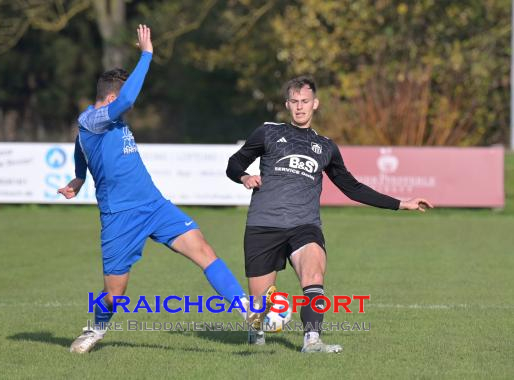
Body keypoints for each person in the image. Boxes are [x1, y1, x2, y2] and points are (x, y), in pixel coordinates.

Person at [58, 25, 271, 354]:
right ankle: (96, 328)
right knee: (115, 294)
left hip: (154, 206)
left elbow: (80, 149)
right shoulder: (94, 119)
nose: (130, 106)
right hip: (120, 218)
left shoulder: (100, 125)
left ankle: (248, 312)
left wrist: (78, 178)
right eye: (123, 101)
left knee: (203, 249)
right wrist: (147, 54)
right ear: (111, 99)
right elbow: (119, 105)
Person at [226, 76, 433, 353]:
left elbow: (352, 188)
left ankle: (312, 340)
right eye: (295, 102)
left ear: (315, 104)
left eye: (305, 102)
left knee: (313, 274)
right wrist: (244, 176)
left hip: (304, 225)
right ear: (287, 104)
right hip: (264, 224)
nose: (300, 107)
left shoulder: (325, 146)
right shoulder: (268, 133)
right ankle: (257, 329)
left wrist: (401, 203)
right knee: (259, 308)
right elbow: (235, 162)